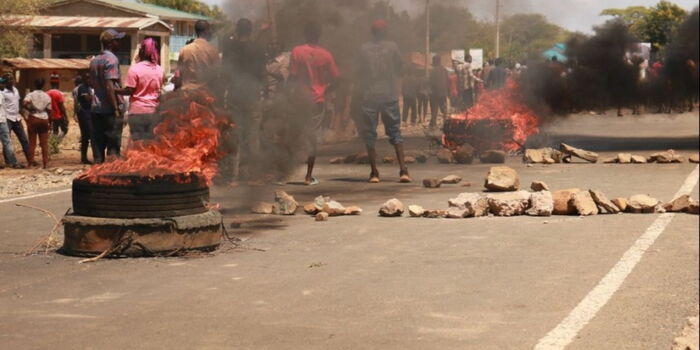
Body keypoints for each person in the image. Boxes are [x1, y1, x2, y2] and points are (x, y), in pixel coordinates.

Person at [354, 20, 411, 184]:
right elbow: (401, 68)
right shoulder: (392, 47)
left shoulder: (363, 49)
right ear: (385, 32)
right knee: (395, 132)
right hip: (389, 94)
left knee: (369, 134)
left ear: (372, 32)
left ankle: (374, 172)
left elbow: (358, 72)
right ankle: (403, 170)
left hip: (369, 95)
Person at [288, 21, 340, 186]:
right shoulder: (326, 55)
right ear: (319, 35)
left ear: (305, 34)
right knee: (312, 138)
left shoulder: (297, 51)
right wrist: (327, 89)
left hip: (299, 100)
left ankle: (286, 173)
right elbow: (337, 78)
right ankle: (308, 177)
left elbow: (292, 76)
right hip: (317, 100)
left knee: (295, 134)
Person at [222, 18, 268, 181]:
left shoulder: (230, 48)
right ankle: (252, 176)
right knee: (253, 137)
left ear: (237, 30)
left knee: (236, 137)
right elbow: (263, 73)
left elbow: (224, 72)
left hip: (235, 96)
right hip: (253, 96)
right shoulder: (258, 48)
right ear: (250, 31)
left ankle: (233, 177)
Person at [89, 28, 126, 163]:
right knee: (113, 145)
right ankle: (111, 176)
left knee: (98, 145)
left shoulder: (94, 60)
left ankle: (98, 172)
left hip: (96, 108)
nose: (119, 43)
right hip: (110, 109)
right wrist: (116, 109)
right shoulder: (112, 59)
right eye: (117, 40)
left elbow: (94, 84)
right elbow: (109, 86)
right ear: (111, 43)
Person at [118, 37, 164, 141]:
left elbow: (130, 91)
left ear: (142, 51)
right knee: (151, 144)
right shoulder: (160, 70)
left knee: (138, 144)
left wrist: (115, 90)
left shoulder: (135, 68)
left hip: (137, 112)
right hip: (154, 112)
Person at [178, 20, 220, 89]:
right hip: (206, 94)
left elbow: (179, 73)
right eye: (209, 29)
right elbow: (217, 74)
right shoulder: (213, 51)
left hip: (187, 94)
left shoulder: (184, 49)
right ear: (206, 31)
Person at [22, 78, 52, 169]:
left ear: (35, 84)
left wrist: (30, 109)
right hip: (44, 119)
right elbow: (49, 110)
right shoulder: (47, 96)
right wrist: (49, 122)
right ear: (43, 85)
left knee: (32, 143)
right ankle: (45, 163)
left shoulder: (30, 95)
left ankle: (30, 164)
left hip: (33, 118)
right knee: (44, 144)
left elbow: (24, 104)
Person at [2, 73, 30, 166]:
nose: (12, 81)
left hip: (17, 118)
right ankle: (9, 161)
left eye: (12, 79)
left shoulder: (16, 90)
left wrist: (24, 116)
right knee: (7, 141)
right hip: (7, 118)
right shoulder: (2, 92)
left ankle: (30, 159)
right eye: (9, 80)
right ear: (5, 82)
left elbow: (18, 105)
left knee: (24, 139)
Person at [0, 77, 21, 169]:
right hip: (1, 121)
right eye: (2, 84)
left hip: (4, 119)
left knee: (6, 142)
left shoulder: (2, 94)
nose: (3, 85)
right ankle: (13, 162)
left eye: (4, 83)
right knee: (7, 142)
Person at [74, 72, 94, 164]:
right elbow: (87, 98)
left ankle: (84, 158)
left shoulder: (89, 87)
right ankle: (95, 157)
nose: (90, 80)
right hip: (84, 113)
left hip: (88, 113)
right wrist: (96, 96)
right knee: (91, 134)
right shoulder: (83, 87)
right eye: (88, 78)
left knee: (86, 136)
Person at [428, 55, 449, 127]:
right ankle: (446, 123)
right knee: (444, 109)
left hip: (435, 93)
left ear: (435, 61)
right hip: (443, 93)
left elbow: (430, 82)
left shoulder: (433, 71)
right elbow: (447, 81)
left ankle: (433, 123)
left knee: (434, 109)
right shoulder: (444, 70)